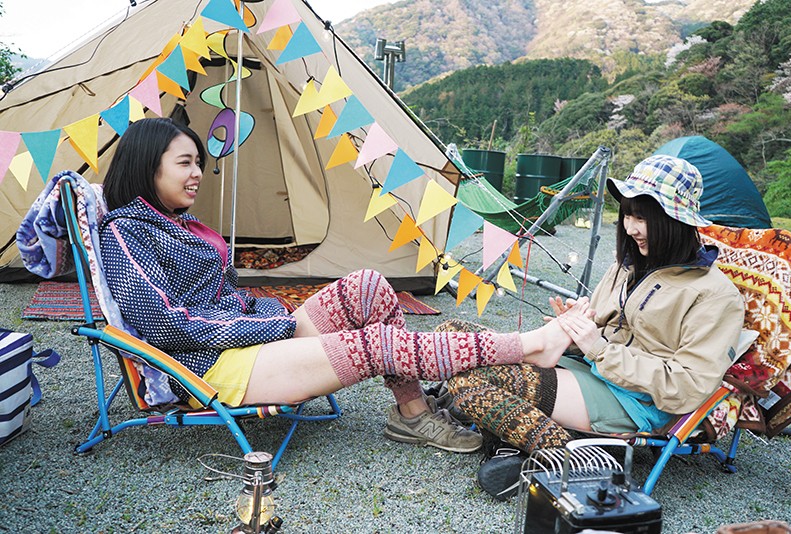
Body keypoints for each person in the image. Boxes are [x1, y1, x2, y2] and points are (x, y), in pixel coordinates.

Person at [98, 117, 591, 455]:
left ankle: (412, 412)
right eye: (184, 163)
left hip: (246, 340)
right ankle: (530, 345)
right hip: (207, 367)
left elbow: (227, 299)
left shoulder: (181, 225)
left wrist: (266, 314)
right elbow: (163, 325)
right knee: (376, 345)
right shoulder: (127, 230)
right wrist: (271, 326)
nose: (197, 174)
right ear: (148, 164)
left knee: (368, 286)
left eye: (197, 163)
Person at [448, 154, 746, 497]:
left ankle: (578, 461)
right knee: (453, 334)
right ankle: (518, 444)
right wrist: (574, 330)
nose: (631, 228)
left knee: (469, 379)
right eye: (628, 215)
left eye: (642, 218)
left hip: (633, 399)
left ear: (674, 220)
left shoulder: (715, 295)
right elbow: (602, 329)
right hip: (590, 368)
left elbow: (688, 386)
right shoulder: (630, 264)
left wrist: (599, 350)